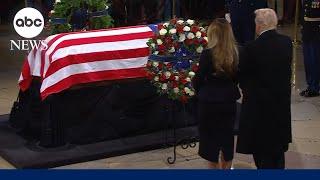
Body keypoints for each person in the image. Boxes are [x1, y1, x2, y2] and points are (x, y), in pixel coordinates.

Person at [237, 8, 293, 169]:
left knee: (262, 159)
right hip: (280, 110)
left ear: (258, 26)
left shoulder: (251, 48)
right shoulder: (286, 43)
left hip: (259, 113)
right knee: (277, 157)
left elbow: (243, 78)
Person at [193, 18, 241, 169]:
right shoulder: (236, 53)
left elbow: (199, 79)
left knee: (210, 144)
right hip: (228, 103)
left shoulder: (207, 54)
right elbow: (237, 79)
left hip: (209, 104)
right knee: (227, 140)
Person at [300, 0, 320, 97]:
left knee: (314, 60)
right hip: (307, 31)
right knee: (308, 60)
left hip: (316, 32)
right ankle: (310, 85)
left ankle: (315, 87)